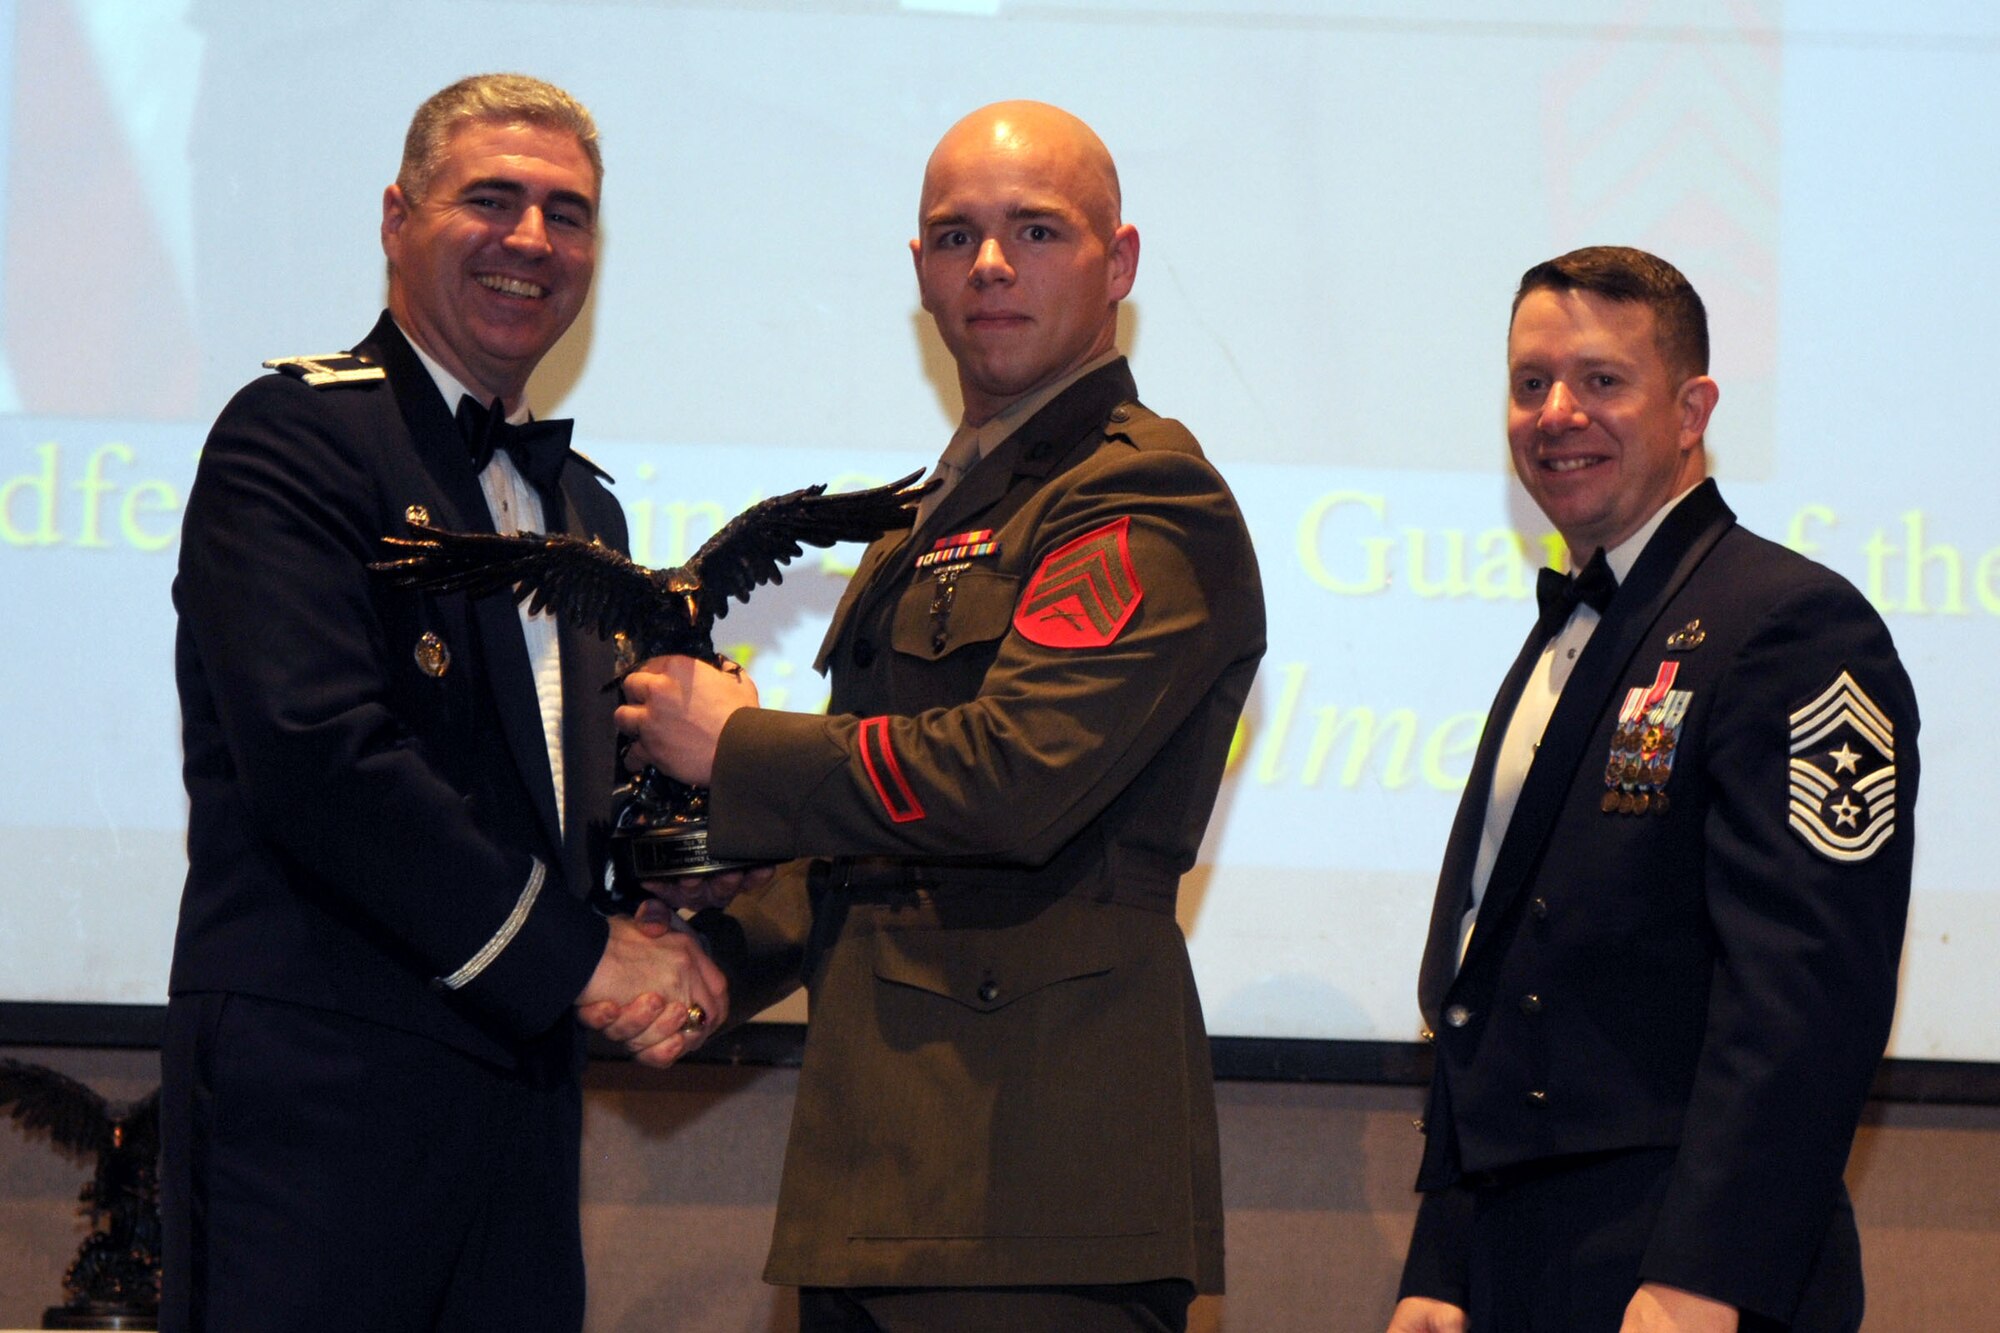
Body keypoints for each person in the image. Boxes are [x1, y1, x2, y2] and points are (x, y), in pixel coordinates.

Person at [598, 100, 1266, 1331]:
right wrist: (711, 956)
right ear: (920, 273)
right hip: (887, 1172)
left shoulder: (1137, 491)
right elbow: (883, 847)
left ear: (1118, 264)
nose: (992, 265)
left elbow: (1013, 779)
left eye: (1037, 231)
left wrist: (736, 747)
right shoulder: (936, 511)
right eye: (955, 237)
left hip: (1036, 1182)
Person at [162, 73, 725, 1332]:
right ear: (395, 217)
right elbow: (321, 763)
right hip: (323, 1103)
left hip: (517, 1114)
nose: (532, 240)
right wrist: (586, 954)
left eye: (566, 214)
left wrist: (680, 879)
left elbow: (552, 806)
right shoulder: (291, 439)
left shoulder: (587, 511)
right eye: (492, 199)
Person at [1388, 247, 1919, 1333]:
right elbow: (1486, 967)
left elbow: (1805, 990)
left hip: (1679, 1260)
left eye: (1600, 381)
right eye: (1529, 382)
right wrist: (1440, 1256)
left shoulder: (1788, 625)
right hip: (1517, 1252)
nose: (1555, 413)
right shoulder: (1569, 633)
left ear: (1691, 410)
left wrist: (1703, 1276)